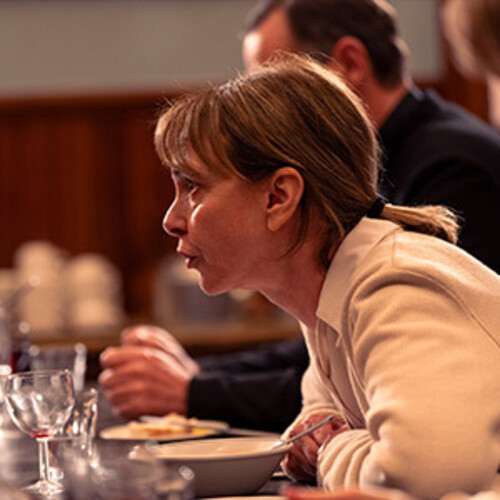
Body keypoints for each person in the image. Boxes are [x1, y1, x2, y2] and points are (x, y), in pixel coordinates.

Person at [99, 0, 500, 432]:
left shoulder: (446, 174)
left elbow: (424, 433)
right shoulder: (332, 282)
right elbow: (337, 365)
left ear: (280, 196)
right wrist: (204, 377)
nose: (251, 112)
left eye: (270, 82)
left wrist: (198, 391)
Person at [152, 54, 500, 498]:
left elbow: (417, 477)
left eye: (192, 186)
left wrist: (332, 451)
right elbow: (314, 422)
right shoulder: (328, 294)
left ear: (278, 197)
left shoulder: (396, 286)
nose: (171, 220)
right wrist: (320, 441)